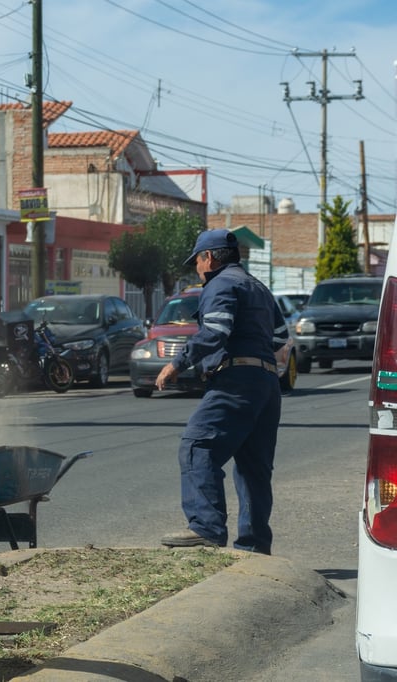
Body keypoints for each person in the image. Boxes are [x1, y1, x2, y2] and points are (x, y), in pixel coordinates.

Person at [155, 229, 288, 555]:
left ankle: (206, 527)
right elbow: (281, 337)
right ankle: (255, 548)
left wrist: (177, 364)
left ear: (209, 257)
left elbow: (216, 330)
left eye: (197, 262)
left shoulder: (220, 285)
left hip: (236, 381)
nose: (197, 269)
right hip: (267, 383)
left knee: (197, 446)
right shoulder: (258, 286)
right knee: (253, 468)